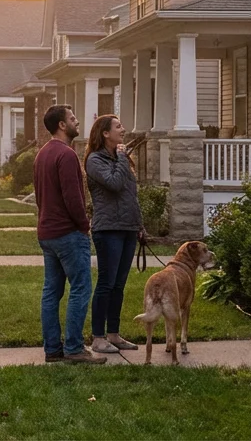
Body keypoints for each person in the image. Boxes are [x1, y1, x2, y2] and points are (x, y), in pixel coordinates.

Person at [33, 105, 105, 364]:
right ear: (62, 125)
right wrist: (83, 224)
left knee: (51, 292)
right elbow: (72, 196)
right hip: (67, 233)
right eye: (73, 119)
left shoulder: (42, 154)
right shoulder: (66, 155)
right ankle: (74, 349)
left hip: (47, 232)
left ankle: (52, 350)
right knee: (81, 289)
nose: (77, 122)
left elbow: (40, 195)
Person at [84, 114, 143, 355]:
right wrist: (121, 156)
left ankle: (114, 334)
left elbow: (130, 195)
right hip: (108, 230)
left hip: (128, 228)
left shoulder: (120, 159)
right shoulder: (95, 160)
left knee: (119, 285)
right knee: (106, 284)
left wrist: (140, 225)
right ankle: (98, 337)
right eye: (118, 126)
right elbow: (114, 184)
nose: (123, 129)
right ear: (105, 133)